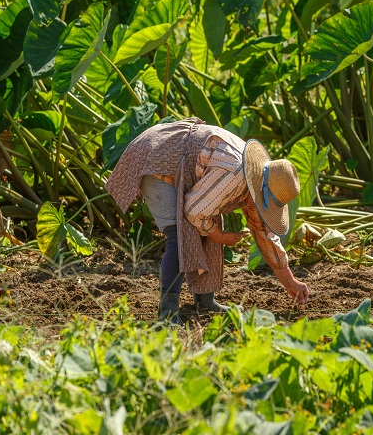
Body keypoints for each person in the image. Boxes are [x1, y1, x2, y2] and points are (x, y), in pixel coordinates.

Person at [105, 117, 309, 324]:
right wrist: (219, 236)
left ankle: (205, 300)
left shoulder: (262, 182)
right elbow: (194, 211)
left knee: (208, 225)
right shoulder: (235, 173)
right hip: (158, 159)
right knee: (180, 235)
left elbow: (264, 234)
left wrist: (291, 282)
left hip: (187, 166)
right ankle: (167, 315)